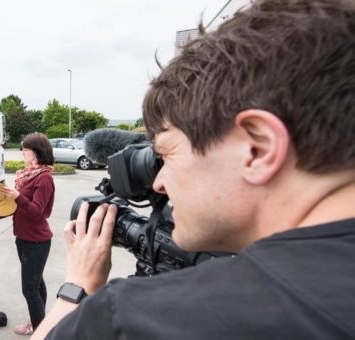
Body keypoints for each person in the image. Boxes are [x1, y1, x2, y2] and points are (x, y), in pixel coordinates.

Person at [33, 0, 355, 338]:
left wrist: (78, 286)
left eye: (166, 156)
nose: (158, 183)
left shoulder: (136, 320)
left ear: (257, 149)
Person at [0, 133, 55, 336]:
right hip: (23, 238)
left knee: (30, 289)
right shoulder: (29, 174)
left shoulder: (44, 177)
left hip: (37, 242)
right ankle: (38, 322)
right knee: (37, 282)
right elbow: (20, 208)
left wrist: (17, 196)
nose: (23, 152)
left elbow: (36, 211)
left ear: (36, 152)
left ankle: (41, 332)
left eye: (25, 149)